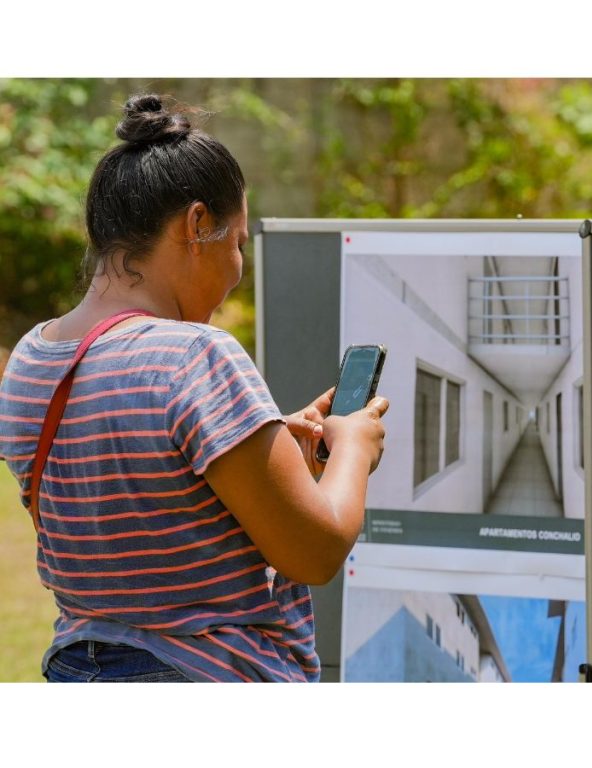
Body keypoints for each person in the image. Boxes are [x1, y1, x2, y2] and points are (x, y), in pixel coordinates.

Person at [0, 94, 387, 682]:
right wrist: (354, 445)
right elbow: (315, 551)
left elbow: (137, 505)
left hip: (77, 670)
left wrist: (265, 448)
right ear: (198, 224)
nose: (238, 269)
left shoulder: (31, 359)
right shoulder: (196, 356)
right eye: (238, 244)